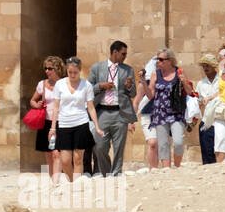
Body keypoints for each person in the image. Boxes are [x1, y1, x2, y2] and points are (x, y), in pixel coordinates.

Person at [87, 41, 138, 176]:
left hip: (120, 112)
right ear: (114, 52)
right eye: (123, 54)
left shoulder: (128, 70)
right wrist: (101, 86)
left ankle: (116, 174)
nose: (125, 57)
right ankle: (107, 171)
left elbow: (133, 94)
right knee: (99, 146)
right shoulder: (97, 68)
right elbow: (88, 89)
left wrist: (129, 86)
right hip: (102, 112)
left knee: (119, 147)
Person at [49, 57, 101, 182]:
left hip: (81, 123)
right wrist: (53, 127)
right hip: (64, 124)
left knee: (78, 159)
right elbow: (55, 107)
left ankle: (76, 185)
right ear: (67, 70)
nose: (72, 75)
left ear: (80, 71)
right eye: (70, 72)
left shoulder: (86, 85)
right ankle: (72, 181)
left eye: (75, 72)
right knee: (65, 160)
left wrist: (97, 126)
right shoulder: (60, 85)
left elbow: (91, 107)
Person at [142, 49, 195, 168]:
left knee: (178, 142)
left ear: (169, 61)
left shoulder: (179, 72)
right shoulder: (155, 74)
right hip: (160, 114)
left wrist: (183, 81)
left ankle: (176, 166)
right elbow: (150, 95)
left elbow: (189, 91)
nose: (157, 62)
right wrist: (143, 83)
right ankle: (166, 170)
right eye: (157, 59)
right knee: (163, 144)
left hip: (176, 113)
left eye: (160, 59)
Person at [30, 56, 64, 180]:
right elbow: (32, 101)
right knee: (48, 154)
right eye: (46, 68)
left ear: (57, 69)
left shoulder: (65, 84)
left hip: (61, 122)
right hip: (45, 122)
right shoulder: (42, 84)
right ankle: (52, 180)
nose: (47, 71)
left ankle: (56, 181)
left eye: (50, 68)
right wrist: (37, 105)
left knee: (57, 152)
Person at [193, 54, 220, 164]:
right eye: (203, 66)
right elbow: (198, 103)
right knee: (207, 153)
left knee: (221, 151)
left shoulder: (222, 80)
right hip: (206, 122)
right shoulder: (201, 83)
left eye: (207, 65)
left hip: (220, 120)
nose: (205, 68)